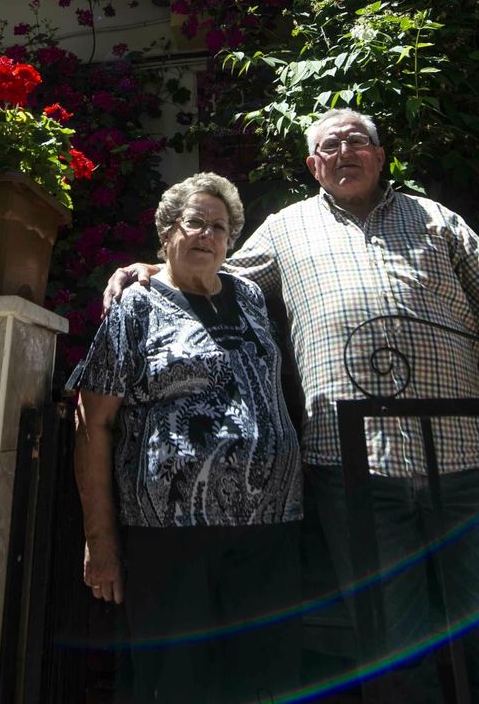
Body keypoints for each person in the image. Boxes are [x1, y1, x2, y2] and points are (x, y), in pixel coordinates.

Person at [105, 110, 479, 702]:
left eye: (356, 141)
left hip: (466, 461)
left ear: (380, 154)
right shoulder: (286, 229)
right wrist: (153, 269)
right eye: (329, 146)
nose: (344, 153)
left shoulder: (436, 219)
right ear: (312, 165)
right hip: (354, 470)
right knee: (391, 645)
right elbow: (209, 271)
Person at [70, 172, 304, 703]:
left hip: (271, 526)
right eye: (195, 222)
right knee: (177, 681)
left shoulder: (248, 296)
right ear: (167, 231)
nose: (207, 235)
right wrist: (99, 540)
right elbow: (92, 422)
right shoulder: (138, 304)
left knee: (266, 675)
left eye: (219, 228)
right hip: (172, 533)